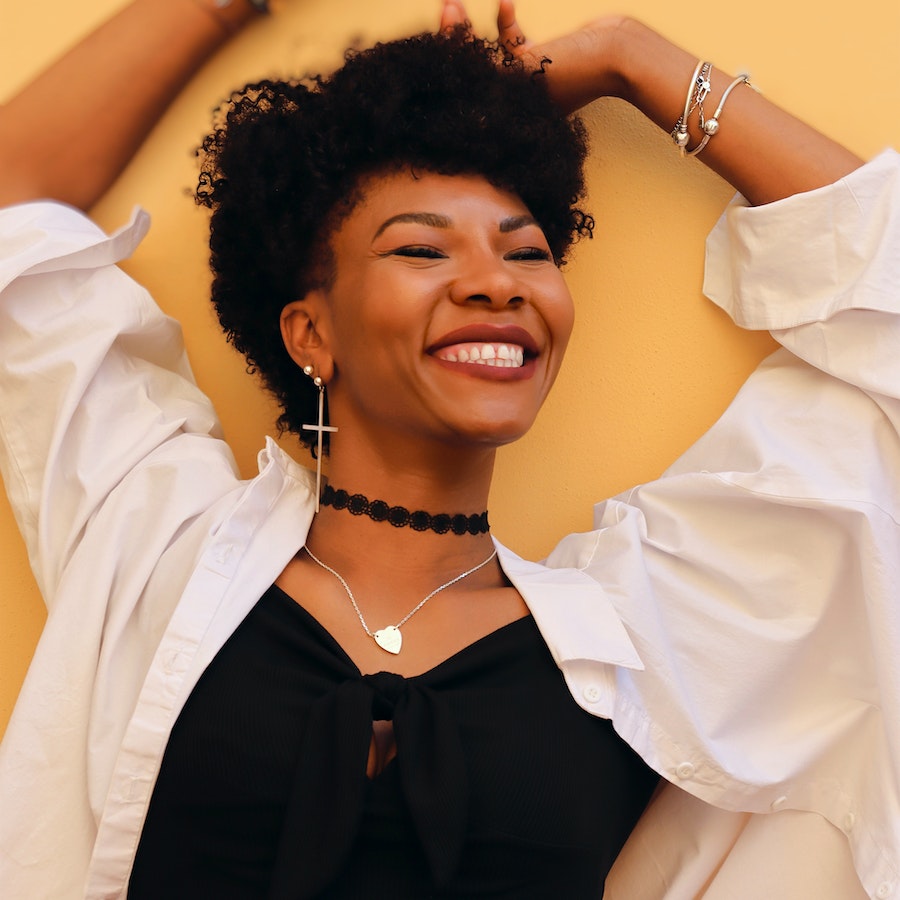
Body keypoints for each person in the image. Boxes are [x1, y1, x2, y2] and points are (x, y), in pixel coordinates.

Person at [0, 0, 897, 897]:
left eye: (529, 253)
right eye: (423, 249)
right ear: (311, 332)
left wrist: (633, 60)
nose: (493, 283)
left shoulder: (639, 638)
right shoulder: (155, 540)